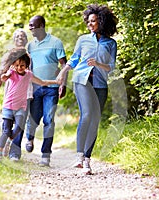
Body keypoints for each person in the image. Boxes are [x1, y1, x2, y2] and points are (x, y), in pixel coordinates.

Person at [57, 4, 118, 174]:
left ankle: (87, 160)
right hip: (81, 81)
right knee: (87, 114)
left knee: (95, 120)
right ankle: (79, 156)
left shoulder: (111, 43)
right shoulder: (83, 40)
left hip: (100, 84)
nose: (90, 24)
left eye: (94, 21)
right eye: (89, 21)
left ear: (102, 21)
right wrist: (63, 73)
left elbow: (111, 67)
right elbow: (74, 59)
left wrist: (98, 64)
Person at [0, 47, 59, 164]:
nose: (20, 68)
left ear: (27, 66)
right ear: (14, 65)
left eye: (22, 65)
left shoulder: (29, 75)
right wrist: (4, 76)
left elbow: (42, 82)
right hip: (8, 106)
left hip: (20, 107)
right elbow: (4, 77)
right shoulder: (12, 72)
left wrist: (55, 82)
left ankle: (9, 141)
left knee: (19, 128)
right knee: (6, 130)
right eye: (17, 65)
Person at [25, 15, 67, 167]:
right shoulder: (30, 46)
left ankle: (45, 155)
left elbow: (64, 65)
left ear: (41, 25)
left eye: (33, 26)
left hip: (52, 88)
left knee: (49, 120)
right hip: (35, 88)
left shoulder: (56, 42)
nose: (30, 29)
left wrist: (64, 84)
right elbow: (26, 68)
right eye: (29, 26)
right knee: (33, 118)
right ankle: (29, 137)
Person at [0, 29, 30, 161]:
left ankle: (14, 153)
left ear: (26, 39)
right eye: (18, 36)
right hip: (11, 96)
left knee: (20, 125)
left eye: (23, 36)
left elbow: (34, 76)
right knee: (7, 126)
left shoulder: (30, 55)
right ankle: (4, 147)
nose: (20, 38)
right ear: (14, 39)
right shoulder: (9, 56)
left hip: (27, 95)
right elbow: (1, 74)